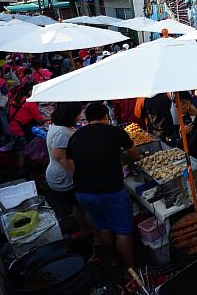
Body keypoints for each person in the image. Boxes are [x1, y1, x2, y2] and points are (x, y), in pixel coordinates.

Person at [67, 102, 140, 270]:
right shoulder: (114, 131)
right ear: (106, 116)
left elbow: (71, 161)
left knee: (103, 226)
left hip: (83, 192)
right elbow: (135, 153)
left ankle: (113, 258)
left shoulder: (76, 136)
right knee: (123, 230)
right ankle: (131, 270)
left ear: (88, 118)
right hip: (110, 190)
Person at [45, 102, 96, 240]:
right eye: (78, 113)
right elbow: (61, 158)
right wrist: (80, 176)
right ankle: (95, 236)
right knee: (86, 206)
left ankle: (85, 230)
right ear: (69, 115)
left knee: (77, 205)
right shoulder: (61, 132)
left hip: (64, 174)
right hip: (64, 176)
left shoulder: (59, 126)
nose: (80, 116)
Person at [7, 81, 47, 147]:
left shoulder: (18, 97)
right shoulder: (30, 102)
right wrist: (52, 117)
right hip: (20, 131)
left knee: (20, 150)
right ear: (30, 91)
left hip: (12, 128)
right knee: (24, 151)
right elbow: (40, 120)